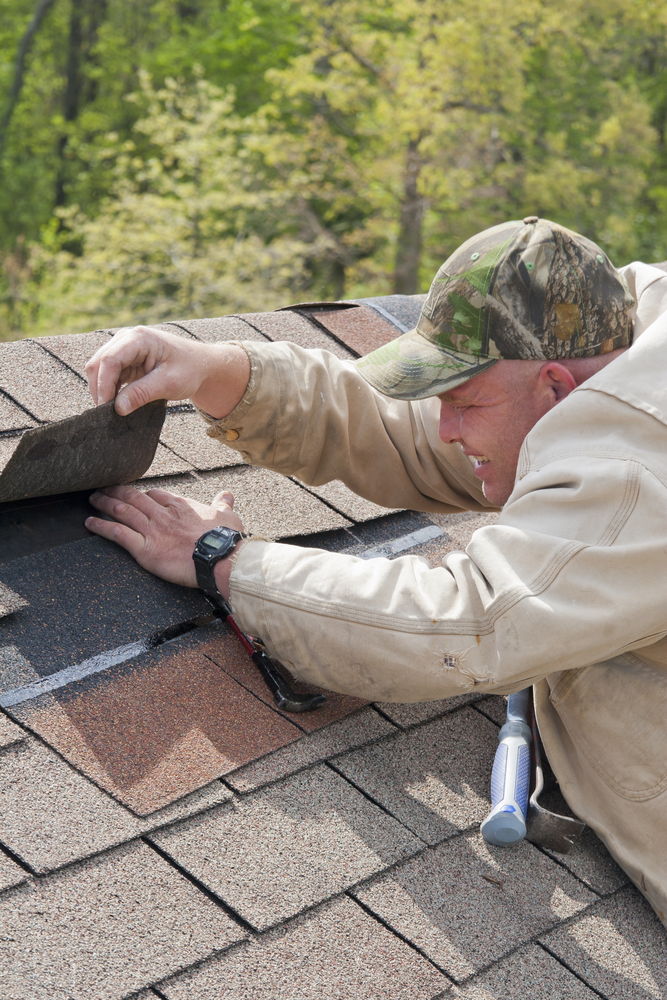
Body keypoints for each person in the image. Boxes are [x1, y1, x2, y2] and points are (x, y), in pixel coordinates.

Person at [84, 217, 667, 925]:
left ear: (551, 388)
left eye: (463, 401)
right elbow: (414, 430)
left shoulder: (639, 471)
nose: (447, 428)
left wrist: (227, 561)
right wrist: (215, 371)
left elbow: (466, 627)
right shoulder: (613, 336)